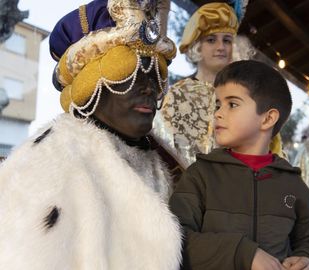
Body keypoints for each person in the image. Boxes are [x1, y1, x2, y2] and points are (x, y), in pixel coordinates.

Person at [0, 0, 182, 269]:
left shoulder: (167, 164)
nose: (147, 87)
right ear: (92, 86)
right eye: (129, 75)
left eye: (153, 75)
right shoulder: (48, 164)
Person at [170, 60, 309, 270]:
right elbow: (176, 240)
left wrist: (307, 260)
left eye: (232, 104)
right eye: (217, 104)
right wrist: (243, 254)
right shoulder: (200, 175)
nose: (217, 113)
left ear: (268, 118)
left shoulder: (293, 185)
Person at [154, 2, 239, 165]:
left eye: (227, 40)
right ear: (197, 47)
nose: (221, 47)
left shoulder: (240, 96)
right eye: (212, 39)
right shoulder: (180, 93)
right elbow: (164, 149)